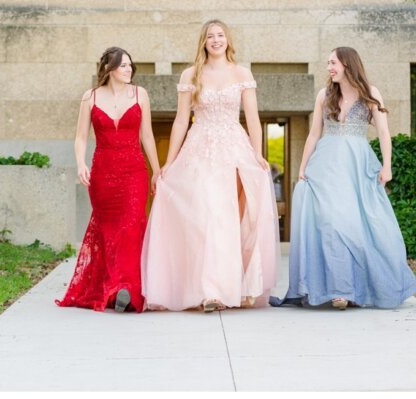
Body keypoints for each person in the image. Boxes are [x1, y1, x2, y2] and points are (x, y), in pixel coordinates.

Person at [141, 19, 278, 312]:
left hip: (233, 148)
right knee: (204, 215)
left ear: (228, 40)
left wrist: (258, 154)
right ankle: (207, 290)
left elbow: (253, 118)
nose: (216, 40)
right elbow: (180, 121)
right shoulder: (192, 74)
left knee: (227, 216)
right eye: (210, 36)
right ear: (203, 42)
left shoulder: (241, 73)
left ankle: (227, 288)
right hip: (199, 147)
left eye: (221, 35)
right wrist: (169, 162)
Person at [271, 47, 416, 310]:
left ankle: (356, 286)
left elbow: (383, 132)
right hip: (325, 166)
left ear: (348, 65)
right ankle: (339, 291)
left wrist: (387, 166)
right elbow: (314, 134)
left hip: (356, 166)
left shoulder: (371, 93)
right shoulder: (324, 95)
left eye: (333, 63)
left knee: (356, 225)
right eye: (328, 62)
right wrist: (303, 168)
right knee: (330, 225)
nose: (329, 67)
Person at [56, 47, 160, 313]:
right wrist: (80, 164)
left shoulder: (140, 95)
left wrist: (157, 172)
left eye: (130, 65)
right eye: (123, 65)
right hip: (103, 174)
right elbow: (80, 137)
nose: (129, 70)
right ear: (108, 69)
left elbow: (147, 136)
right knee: (109, 232)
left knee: (130, 228)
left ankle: (127, 288)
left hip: (135, 172)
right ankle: (114, 287)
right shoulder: (89, 98)